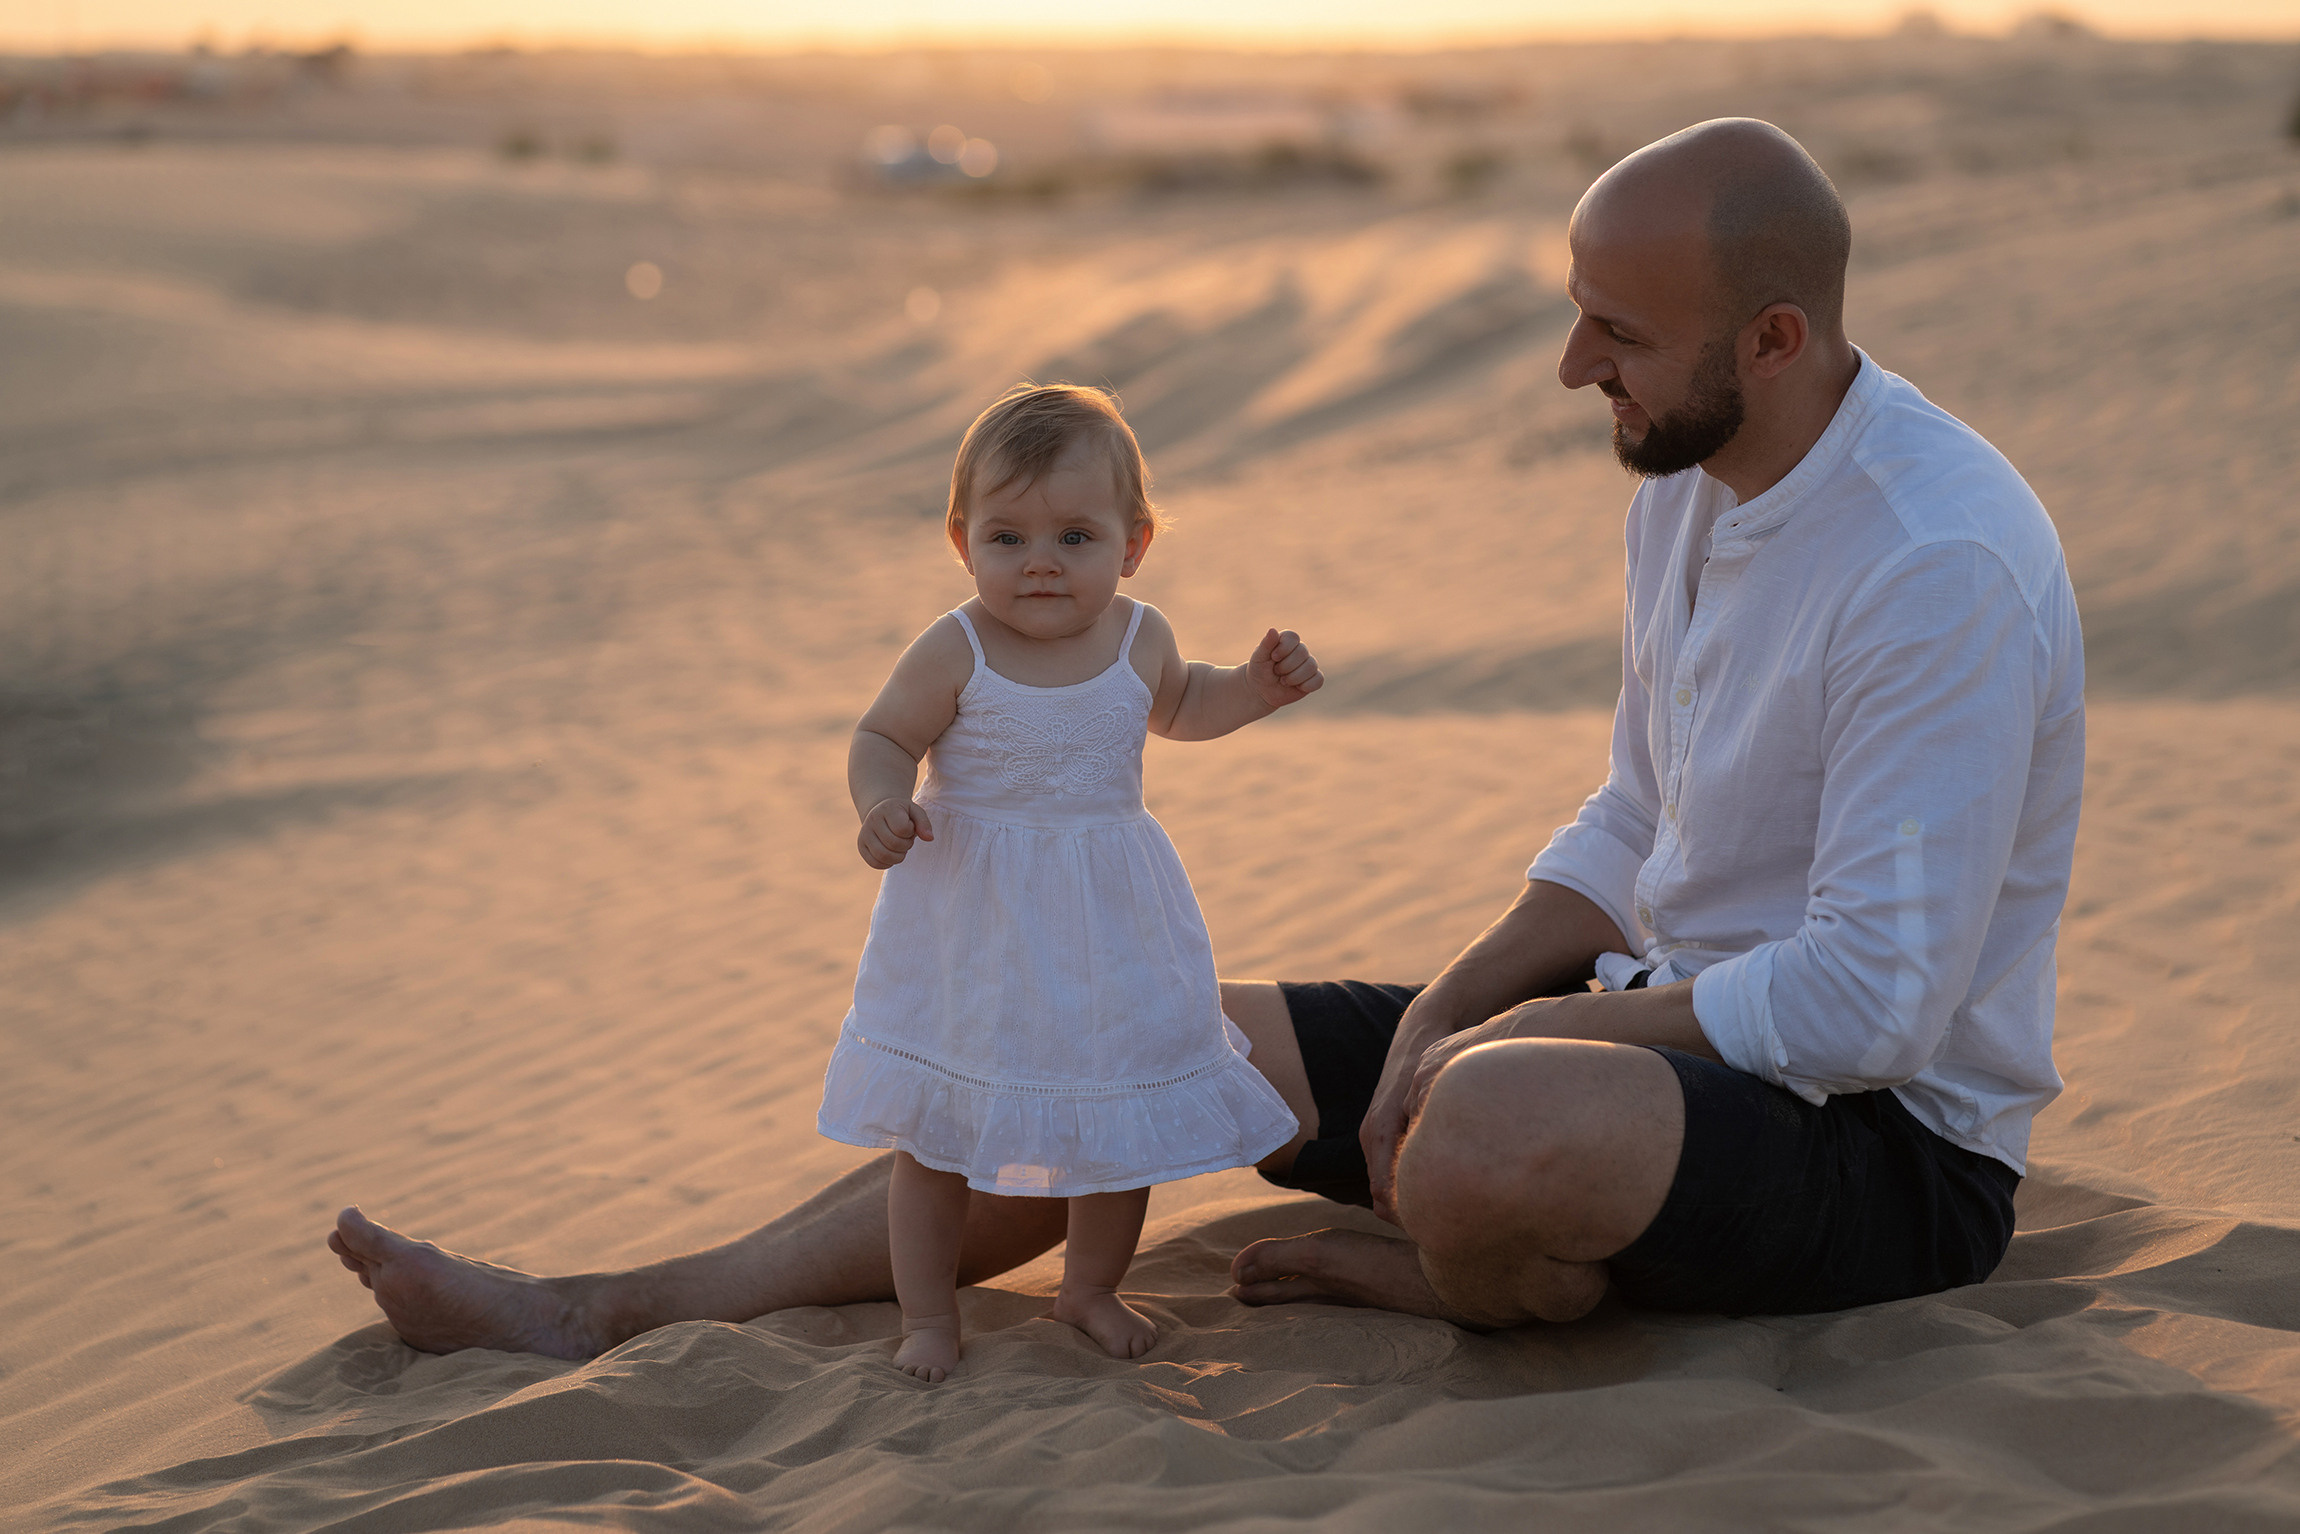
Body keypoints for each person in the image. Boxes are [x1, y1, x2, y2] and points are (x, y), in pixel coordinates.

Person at [327, 116, 2084, 1354]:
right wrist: (1461, 1004)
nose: (1571, 369)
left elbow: (1873, 1001)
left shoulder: (1934, 565)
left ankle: (1494, 1266)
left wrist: (1510, 1043)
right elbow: (1639, 818)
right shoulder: (1691, 471)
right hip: (1647, 1038)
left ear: (1773, 338)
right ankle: (604, 1306)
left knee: (1478, 1131)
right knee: (1136, 1028)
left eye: (1615, 333)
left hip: (1885, 1148)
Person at [819, 383, 1315, 1382]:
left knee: (1112, 1106)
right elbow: (882, 735)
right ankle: (926, 1315)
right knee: (936, 1129)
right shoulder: (956, 645)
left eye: (1075, 537)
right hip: (972, 922)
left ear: (1132, 543)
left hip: (1108, 914)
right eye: (1007, 538)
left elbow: (1183, 705)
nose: (1040, 561)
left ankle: (1087, 1286)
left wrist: (1253, 690)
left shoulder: (1139, 638)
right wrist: (880, 803)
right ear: (962, 541)